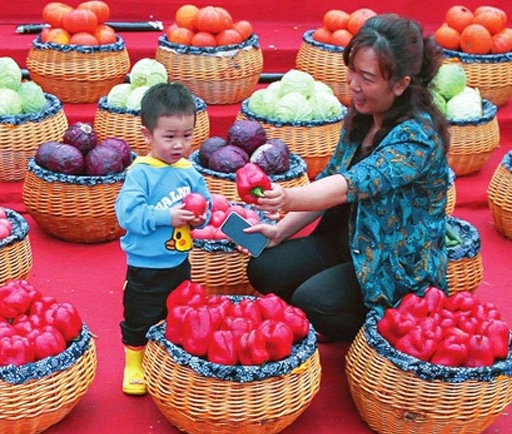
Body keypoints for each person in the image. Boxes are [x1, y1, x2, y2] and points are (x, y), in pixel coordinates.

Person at [242, 13, 452, 342]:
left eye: (366, 77)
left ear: (400, 84)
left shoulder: (418, 137)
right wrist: (280, 230)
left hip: (389, 262)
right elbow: (332, 176)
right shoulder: (364, 116)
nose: (353, 83)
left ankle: (364, 319)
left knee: (313, 302)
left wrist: (288, 198)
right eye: (352, 70)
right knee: (264, 268)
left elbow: (352, 183)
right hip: (344, 242)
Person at [115, 82, 212, 395]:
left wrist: (201, 217)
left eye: (186, 136)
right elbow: (127, 216)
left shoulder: (190, 172)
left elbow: (207, 205)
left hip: (179, 261)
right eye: (169, 137)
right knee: (140, 317)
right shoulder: (140, 173)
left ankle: (167, 361)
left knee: (178, 312)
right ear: (148, 135)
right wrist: (165, 217)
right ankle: (134, 362)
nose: (178, 145)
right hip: (145, 265)